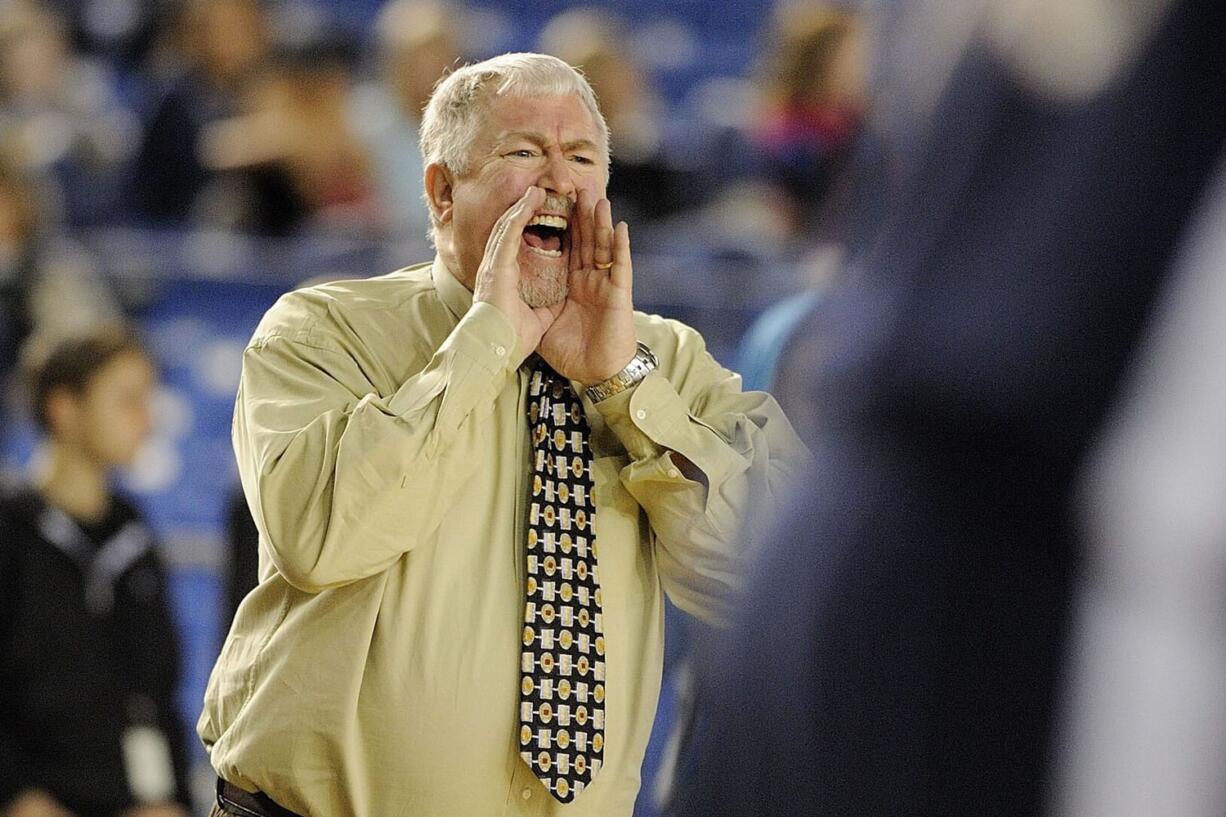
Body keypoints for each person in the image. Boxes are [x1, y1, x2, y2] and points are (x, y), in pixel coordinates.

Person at [199, 52, 808, 817]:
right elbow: (320, 536)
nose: (559, 178)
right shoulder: (322, 330)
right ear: (442, 190)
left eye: (582, 156)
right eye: (524, 152)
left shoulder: (667, 360)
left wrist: (623, 385)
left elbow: (775, 575)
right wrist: (489, 339)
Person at [0, 326, 191, 817]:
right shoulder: (12, 530)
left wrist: (165, 798)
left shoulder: (133, 534)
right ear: (64, 408)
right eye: (128, 400)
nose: (146, 421)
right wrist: (15, 794)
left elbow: (155, 691)